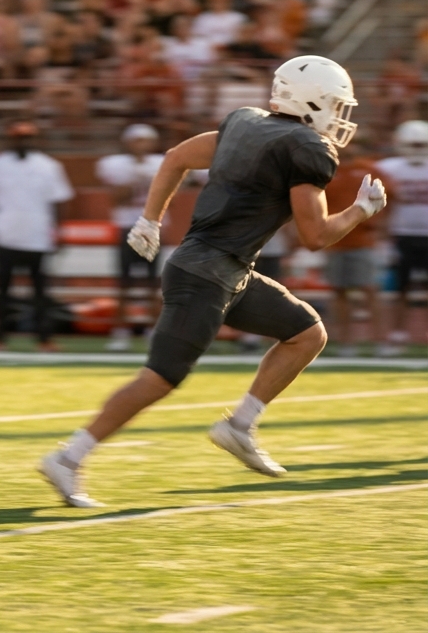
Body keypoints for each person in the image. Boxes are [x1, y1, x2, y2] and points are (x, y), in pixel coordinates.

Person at [40, 55, 386, 508]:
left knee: (306, 333)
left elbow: (175, 158)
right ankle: (68, 457)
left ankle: (239, 426)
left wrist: (150, 220)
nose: (341, 117)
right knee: (160, 378)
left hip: (223, 268)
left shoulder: (245, 123)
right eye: (337, 105)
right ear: (314, 101)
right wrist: (362, 210)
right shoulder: (307, 147)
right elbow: (316, 235)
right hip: (207, 273)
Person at [0, 121, 74, 351]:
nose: (23, 142)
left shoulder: (48, 166)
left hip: (38, 236)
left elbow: (59, 201)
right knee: (2, 291)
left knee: (41, 292)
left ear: (34, 140)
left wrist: (59, 231)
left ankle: (44, 339)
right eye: (19, 137)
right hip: (6, 235)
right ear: (11, 139)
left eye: (27, 137)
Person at [95, 124, 165, 352]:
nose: (141, 146)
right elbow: (118, 198)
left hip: (153, 226)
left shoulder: (161, 163)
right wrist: (138, 180)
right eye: (137, 141)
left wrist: (146, 181)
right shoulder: (115, 164)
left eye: (145, 140)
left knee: (152, 283)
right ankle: (120, 331)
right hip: (128, 225)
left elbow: (168, 196)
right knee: (124, 283)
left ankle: (153, 330)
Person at [320, 136, 385, 357]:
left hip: (362, 241)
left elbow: (391, 198)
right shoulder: (327, 172)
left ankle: (381, 341)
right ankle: (346, 343)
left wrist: (379, 225)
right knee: (339, 292)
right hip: (336, 240)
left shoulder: (368, 169)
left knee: (369, 290)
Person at [377, 119, 428, 355]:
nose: (417, 149)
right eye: (413, 144)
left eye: (421, 144)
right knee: (400, 288)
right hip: (401, 234)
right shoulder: (388, 168)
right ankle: (397, 336)